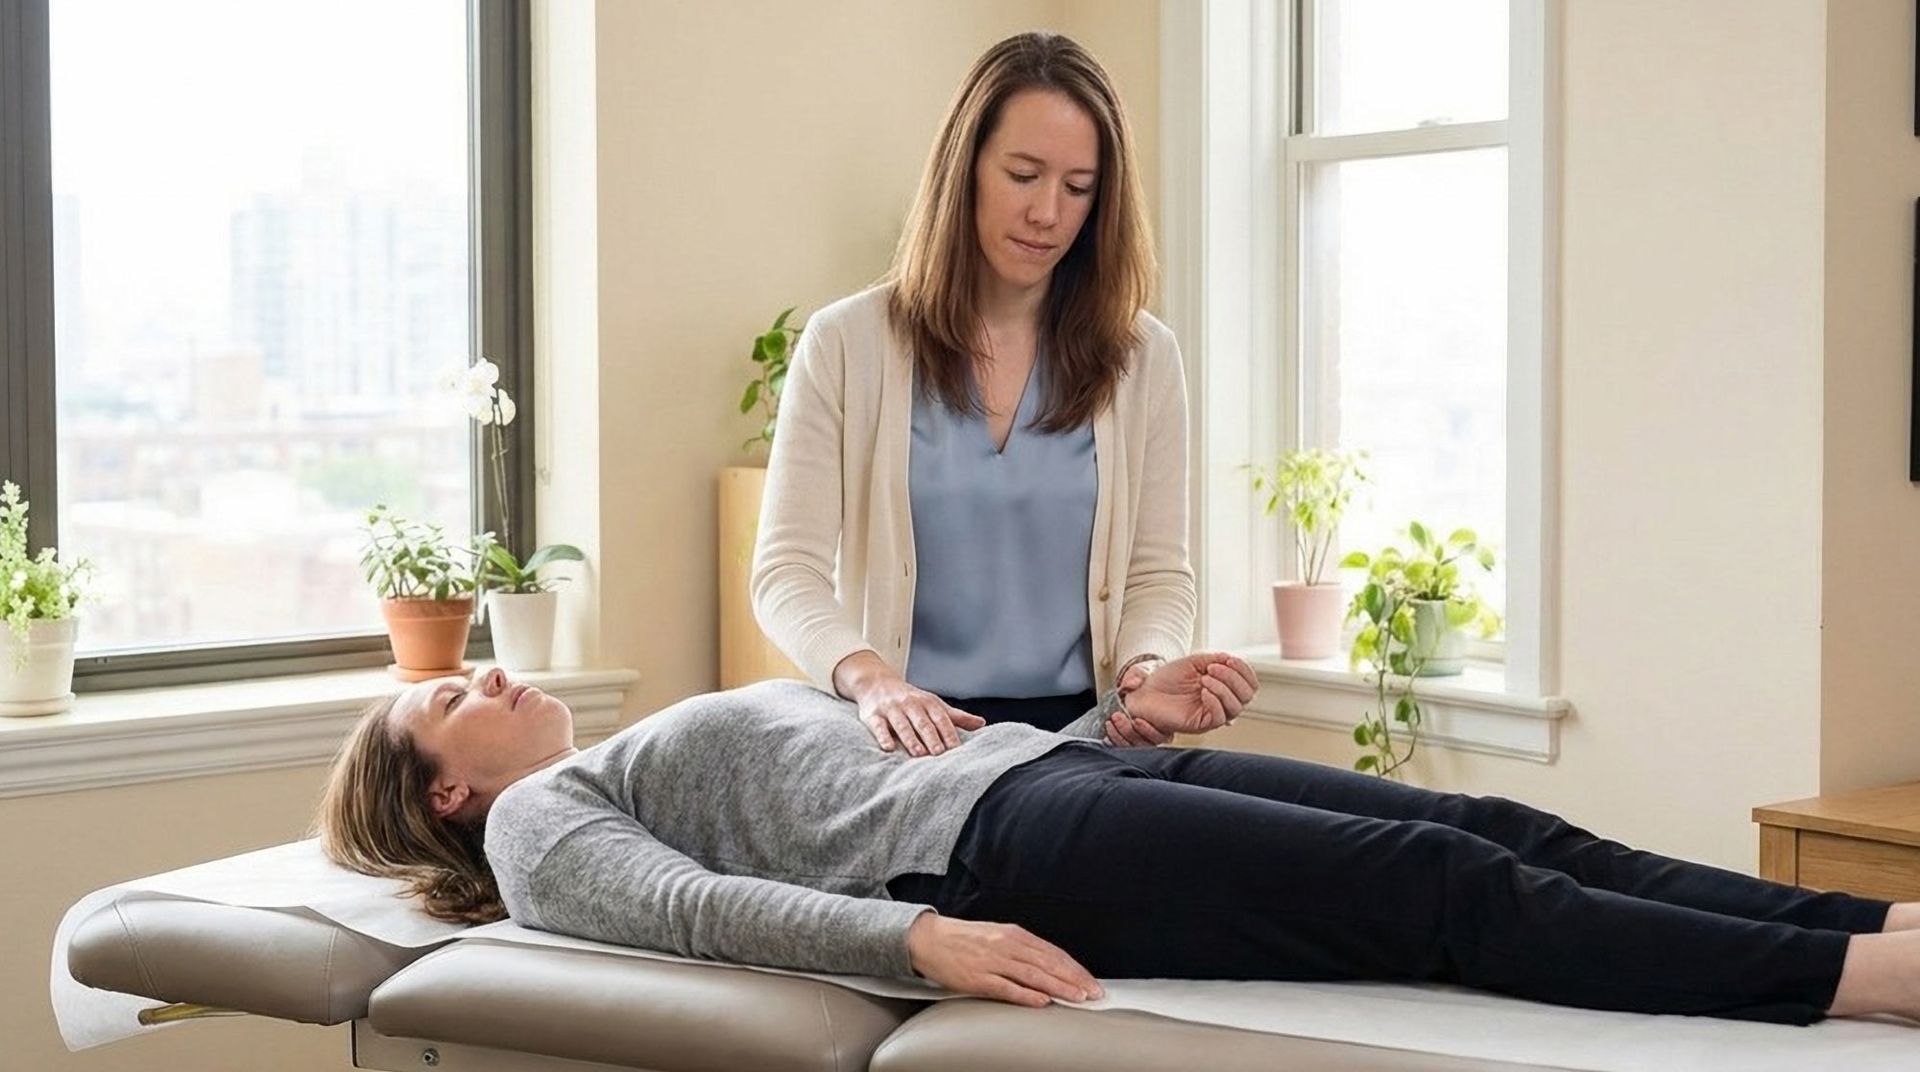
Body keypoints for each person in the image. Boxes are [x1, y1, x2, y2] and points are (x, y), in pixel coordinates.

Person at [321, 664, 1920, 1026]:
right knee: (1447, 893)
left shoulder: (610, 747)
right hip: (1010, 853)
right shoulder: (541, 821)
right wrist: (911, 942)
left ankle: (1866, 920)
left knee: (1493, 821)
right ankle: (1854, 983)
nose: (489, 674)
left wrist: (1116, 714)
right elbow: (683, 909)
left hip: (1056, 776)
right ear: (445, 793)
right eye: (448, 702)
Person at [750, 31, 1193, 753]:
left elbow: (1158, 574)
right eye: (1023, 174)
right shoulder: (846, 345)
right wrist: (871, 680)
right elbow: (785, 572)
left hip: (1088, 743)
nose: (1049, 213)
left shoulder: (1144, 359)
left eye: (1078, 188)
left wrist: (1146, 670)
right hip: (914, 742)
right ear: (966, 169)